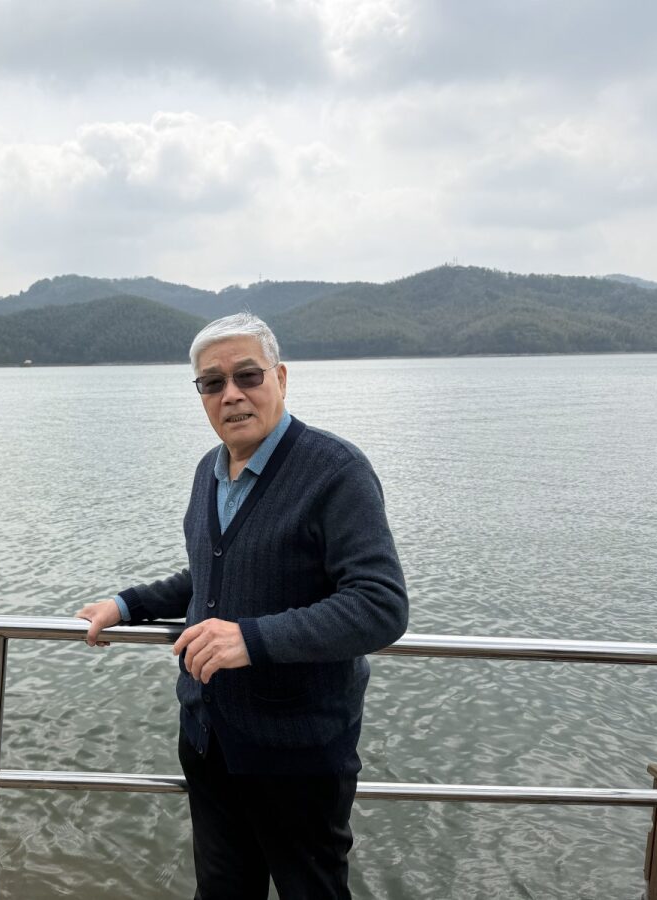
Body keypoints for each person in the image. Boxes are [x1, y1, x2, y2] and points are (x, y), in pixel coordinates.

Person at [75, 312, 408, 900]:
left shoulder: (336, 471)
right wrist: (126, 605)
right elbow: (207, 577)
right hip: (208, 737)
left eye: (247, 375)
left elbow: (380, 606)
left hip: (299, 752)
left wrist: (251, 639)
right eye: (212, 382)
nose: (232, 394)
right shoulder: (211, 469)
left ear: (280, 377)